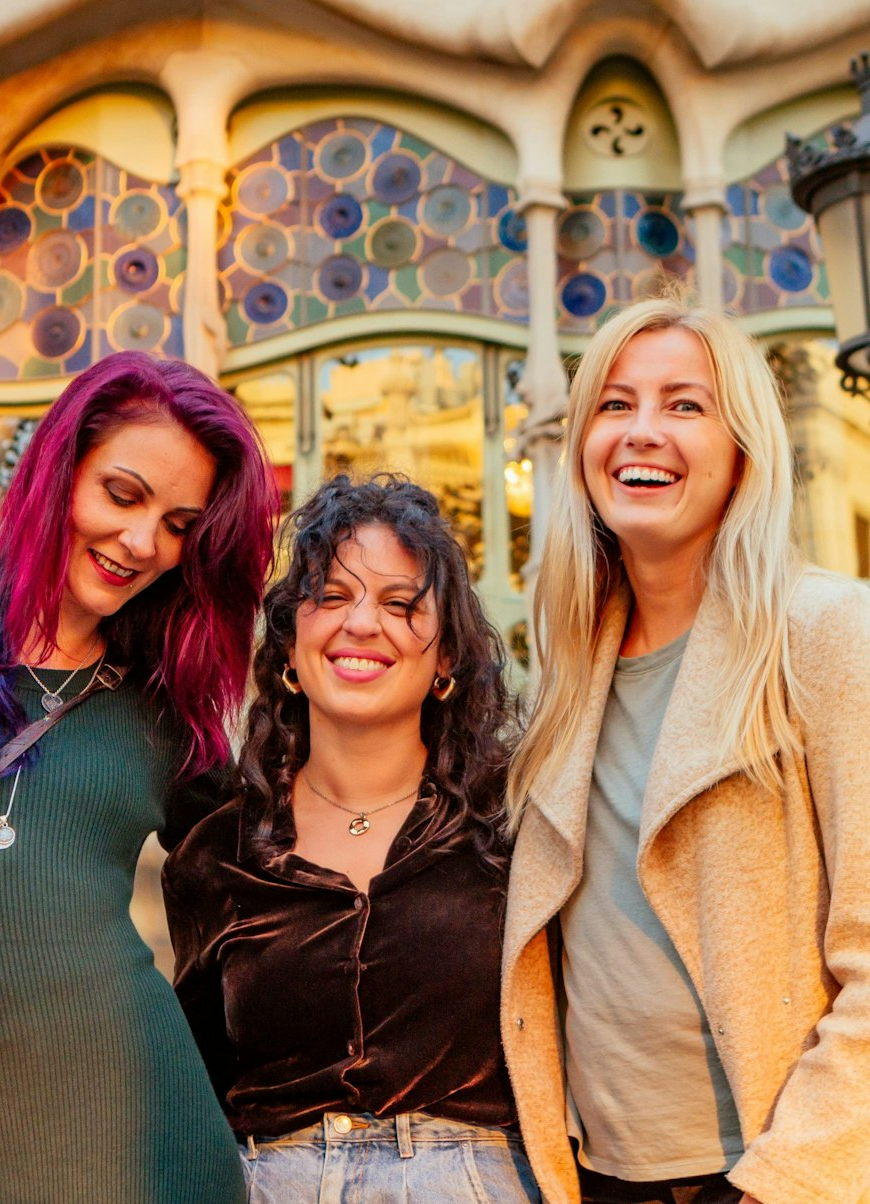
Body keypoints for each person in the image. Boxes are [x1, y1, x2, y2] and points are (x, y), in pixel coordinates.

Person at [0, 352, 277, 1204]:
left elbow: (274, 897)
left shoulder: (166, 717)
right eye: (122, 495)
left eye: (179, 525)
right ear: (58, 474)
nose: (143, 543)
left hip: (137, 1147)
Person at [502, 294, 870, 1204]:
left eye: (685, 404)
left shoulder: (827, 633)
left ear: (743, 448)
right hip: (600, 1176)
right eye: (614, 404)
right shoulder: (566, 671)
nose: (642, 431)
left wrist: (784, 1183)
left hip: (765, 1169)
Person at [164, 474, 541, 1204]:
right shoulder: (217, 851)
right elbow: (195, 1082)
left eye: (400, 604)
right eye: (332, 596)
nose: (362, 623)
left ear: (446, 660)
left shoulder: (513, 823)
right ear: (289, 646)